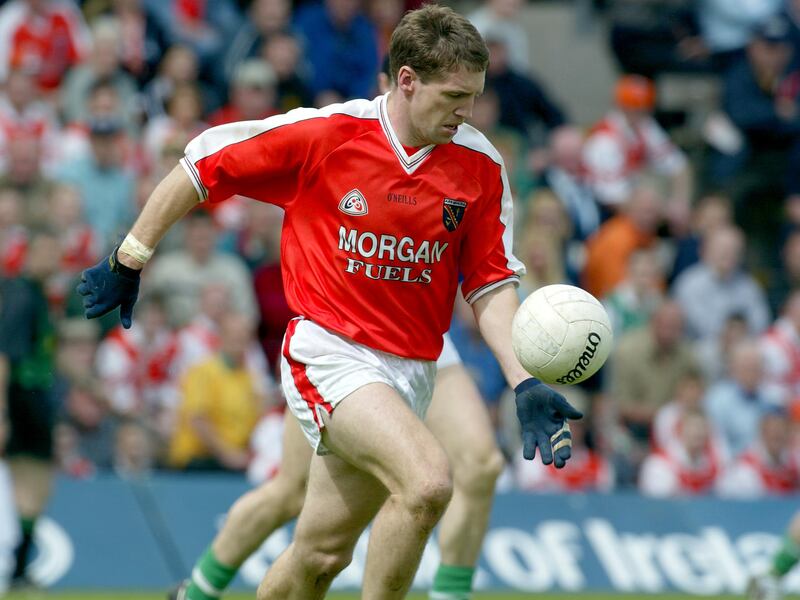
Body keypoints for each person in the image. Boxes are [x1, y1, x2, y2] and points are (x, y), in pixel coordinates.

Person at [77, 6, 582, 599]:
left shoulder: (480, 168)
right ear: (407, 80)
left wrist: (523, 380)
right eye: (454, 96)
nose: (467, 111)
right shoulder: (330, 134)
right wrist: (129, 256)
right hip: (330, 350)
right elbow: (203, 162)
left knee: (320, 555)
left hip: (412, 370)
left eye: (474, 95)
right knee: (427, 484)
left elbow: (491, 283)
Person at [0, 229, 60, 588]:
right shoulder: (22, 295)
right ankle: (18, 566)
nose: (52, 261)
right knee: (30, 482)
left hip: (35, 397)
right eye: (46, 252)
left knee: (37, 486)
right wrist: (3, 415)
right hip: (23, 397)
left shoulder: (38, 295)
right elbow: (4, 356)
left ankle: (20, 566)